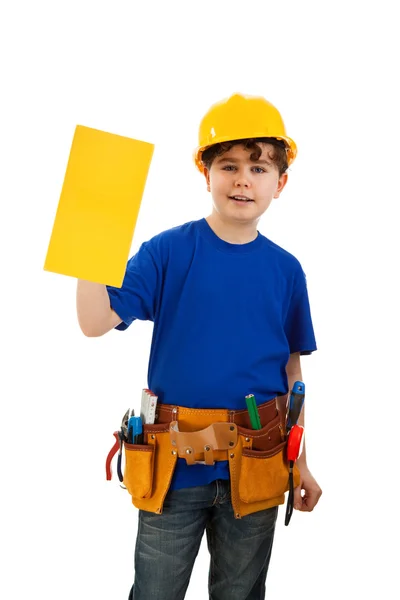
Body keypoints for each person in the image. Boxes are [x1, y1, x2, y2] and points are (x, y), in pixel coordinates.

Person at [77, 93, 323, 600]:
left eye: (258, 167)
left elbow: (291, 375)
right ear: (205, 173)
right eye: (228, 165)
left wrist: (300, 460)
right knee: (155, 592)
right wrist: (90, 235)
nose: (242, 179)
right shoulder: (169, 251)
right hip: (172, 472)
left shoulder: (287, 270)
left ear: (280, 183)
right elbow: (93, 321)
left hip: (256, 468)